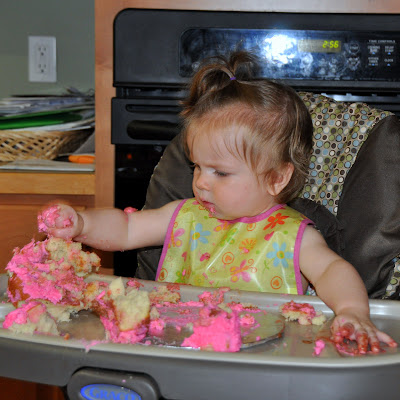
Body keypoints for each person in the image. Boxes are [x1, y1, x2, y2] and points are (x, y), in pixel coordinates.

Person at [40, 51, 397, 354]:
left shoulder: (291, 236)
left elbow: (333, 271)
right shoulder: (185, 216)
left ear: (277, 178)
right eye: (197, 167)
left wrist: (352, 310)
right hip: (177, 352)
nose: (201, 182)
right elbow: (127, 227)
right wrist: (82, 224)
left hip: (266, 363)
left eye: (221, 173)